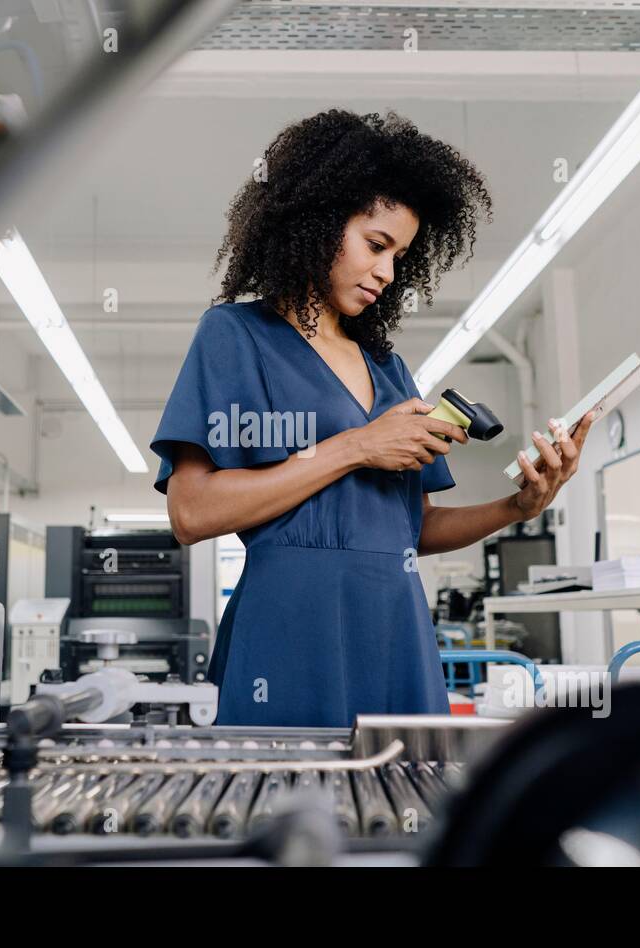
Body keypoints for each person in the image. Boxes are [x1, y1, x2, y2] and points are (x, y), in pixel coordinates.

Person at [151, 109, 593, 726]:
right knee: (290, 808)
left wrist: (517, 508)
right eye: (376, 244)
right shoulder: (236, 336)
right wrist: (356, 447)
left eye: (400, 255)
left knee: (401, 807)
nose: (387, 272)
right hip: (290, 624)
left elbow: (412, 528)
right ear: (317, 222)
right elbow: (191, 513)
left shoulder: (387, 368)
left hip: (396, 626)